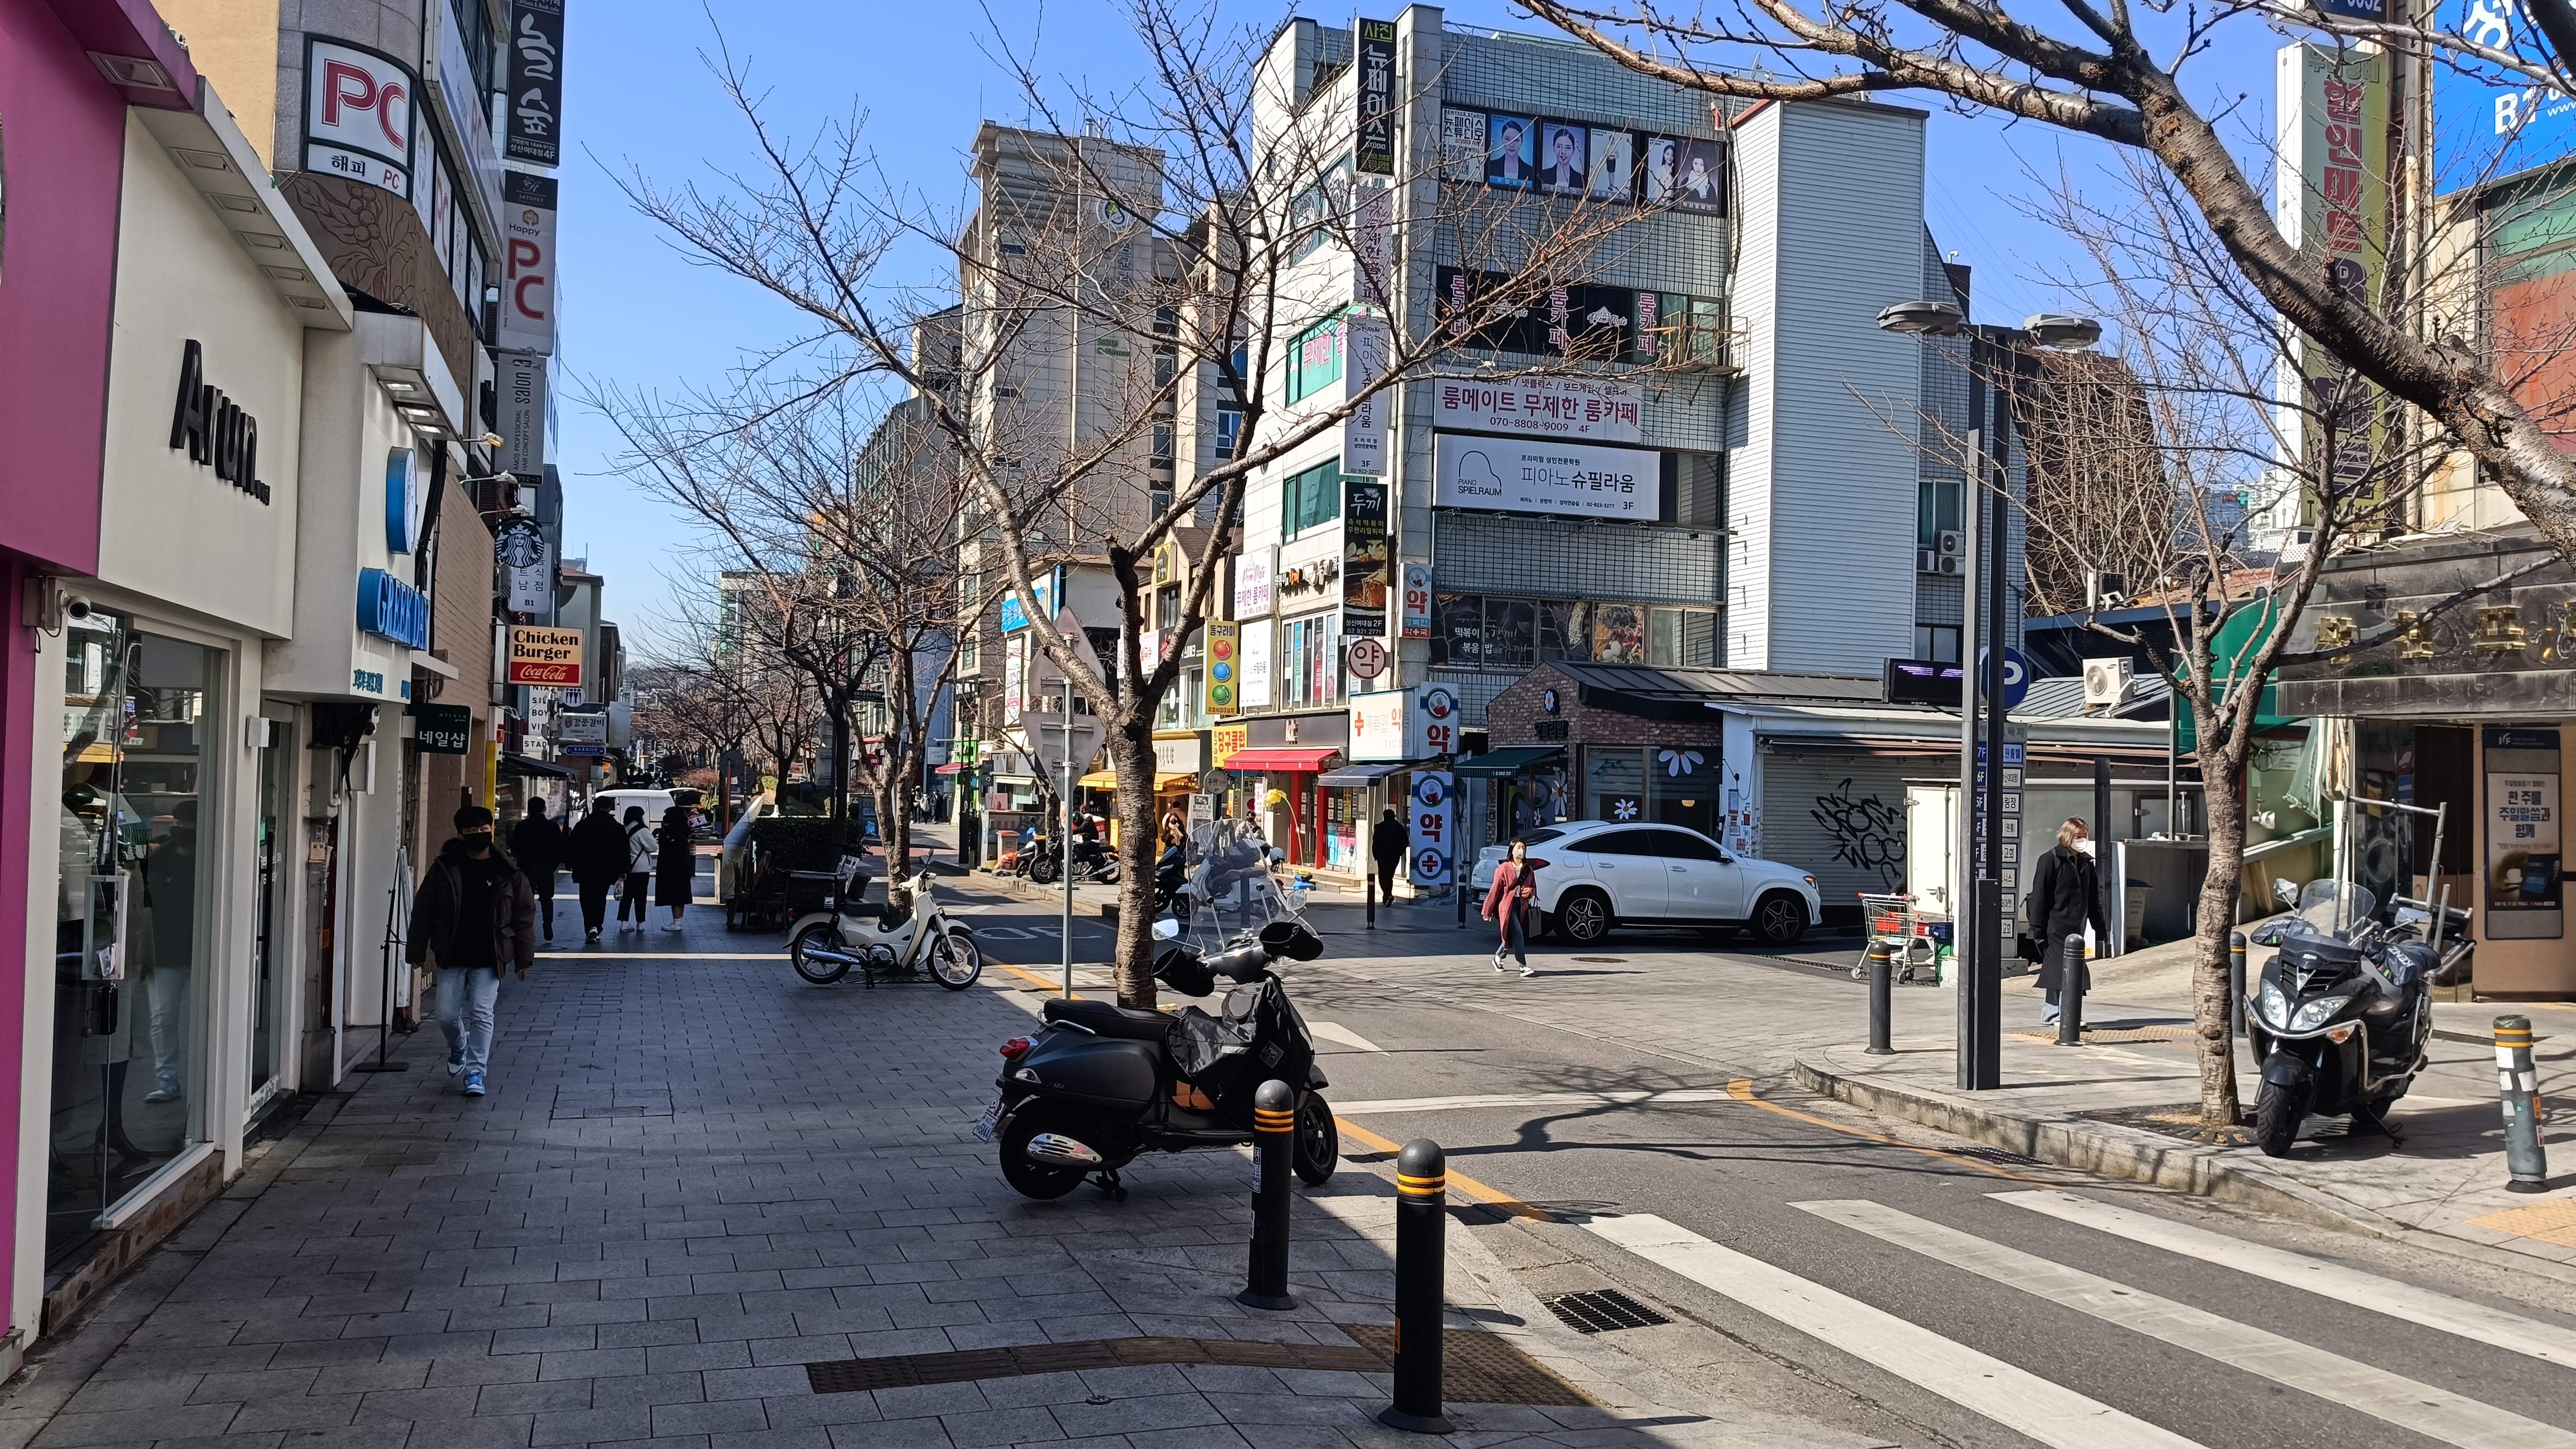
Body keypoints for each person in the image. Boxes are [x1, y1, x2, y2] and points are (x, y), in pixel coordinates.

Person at [406, 805, 536, 1097]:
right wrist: (416, 950)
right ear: (461, 834)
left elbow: (524, 917)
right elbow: (424, 911)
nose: (479, 834)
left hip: (490, 955)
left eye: (484, 829)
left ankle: (476, 1072)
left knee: (482, 1013)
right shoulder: (445, 868)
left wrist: (524, 958)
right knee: (445, 1015)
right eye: (472, 830)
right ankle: (459, 1045)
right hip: (452, 953)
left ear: (491, 829)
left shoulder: (508, 871)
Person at [2026, 818, 2107, 1026]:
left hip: (2077, 927)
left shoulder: (2086, 863)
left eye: (2085, 836)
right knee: (2063, 969)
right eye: (2078, 836)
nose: (2082, 840)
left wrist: (2100, 929)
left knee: (2066, 969)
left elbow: (2093, 899)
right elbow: (2040, 896)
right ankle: (2064, 1015)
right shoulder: (2050, 860)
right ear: (2067, 835)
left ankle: (2054, 1013)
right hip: (2055, 926)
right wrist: (2036, 929)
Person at [566, 798, 627, 944]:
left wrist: (570, 864)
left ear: (594, 807)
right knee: (600, 898)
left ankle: (591, 926)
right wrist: (623, 870)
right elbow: (624, 851)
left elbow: (571, 846)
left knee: (586, 899)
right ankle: (597, 926)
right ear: (609, 808)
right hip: (607, 870)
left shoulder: (582, 825)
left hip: (584, 869)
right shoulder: (617, 827)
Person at [509, 798, 565, 943]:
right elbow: (559, 848)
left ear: (529, 809)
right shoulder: (552, 827)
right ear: (544, 809)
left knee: (526, 898)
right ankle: (548, 922)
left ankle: (527, 925)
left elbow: (515, 848)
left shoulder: (522, 827)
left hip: (527, 868)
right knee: (547, 898)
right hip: (546, 867)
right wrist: (553, 866)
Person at [1483, 838, 1540, 978]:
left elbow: (1533, 887)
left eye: (1523, 848)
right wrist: (1487, 910)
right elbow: (1495, 890)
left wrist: (1530, 892)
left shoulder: (1528, 869)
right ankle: (1523, 966)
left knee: (1510, 935)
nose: (1521, 850)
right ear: (1512, 850)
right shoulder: (1504, 868)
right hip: (1507, 905)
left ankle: (1498, 957)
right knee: (1518, 933)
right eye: (1518, 847)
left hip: (1521, 905)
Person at [655, 803, 695, 931]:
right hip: (683, 869)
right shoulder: (683, 832)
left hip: (673, 869)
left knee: (676, 896)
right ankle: (678, 921)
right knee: (680, 896)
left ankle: (677, 923)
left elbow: (667, 851)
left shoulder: (671, 833)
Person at [618, 805, 657, 930]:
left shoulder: (623, 829)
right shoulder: (642, 830)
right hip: (641, 868)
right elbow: (654, 847)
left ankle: (624, 923)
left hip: (626, 868)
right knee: (641, 897)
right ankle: (640, 923)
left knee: (626, 897)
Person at [1371, 806, 1407, 906]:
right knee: (1389, 877)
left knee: (1383, 877)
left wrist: (1376, 855)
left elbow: (1375, 842)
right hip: (1394, 856)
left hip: (1382, 856)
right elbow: (1405, 841)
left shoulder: (1380, 827)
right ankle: (1386, 896)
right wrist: (1400, 852)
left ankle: (1388, 895)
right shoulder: (1399, 828)